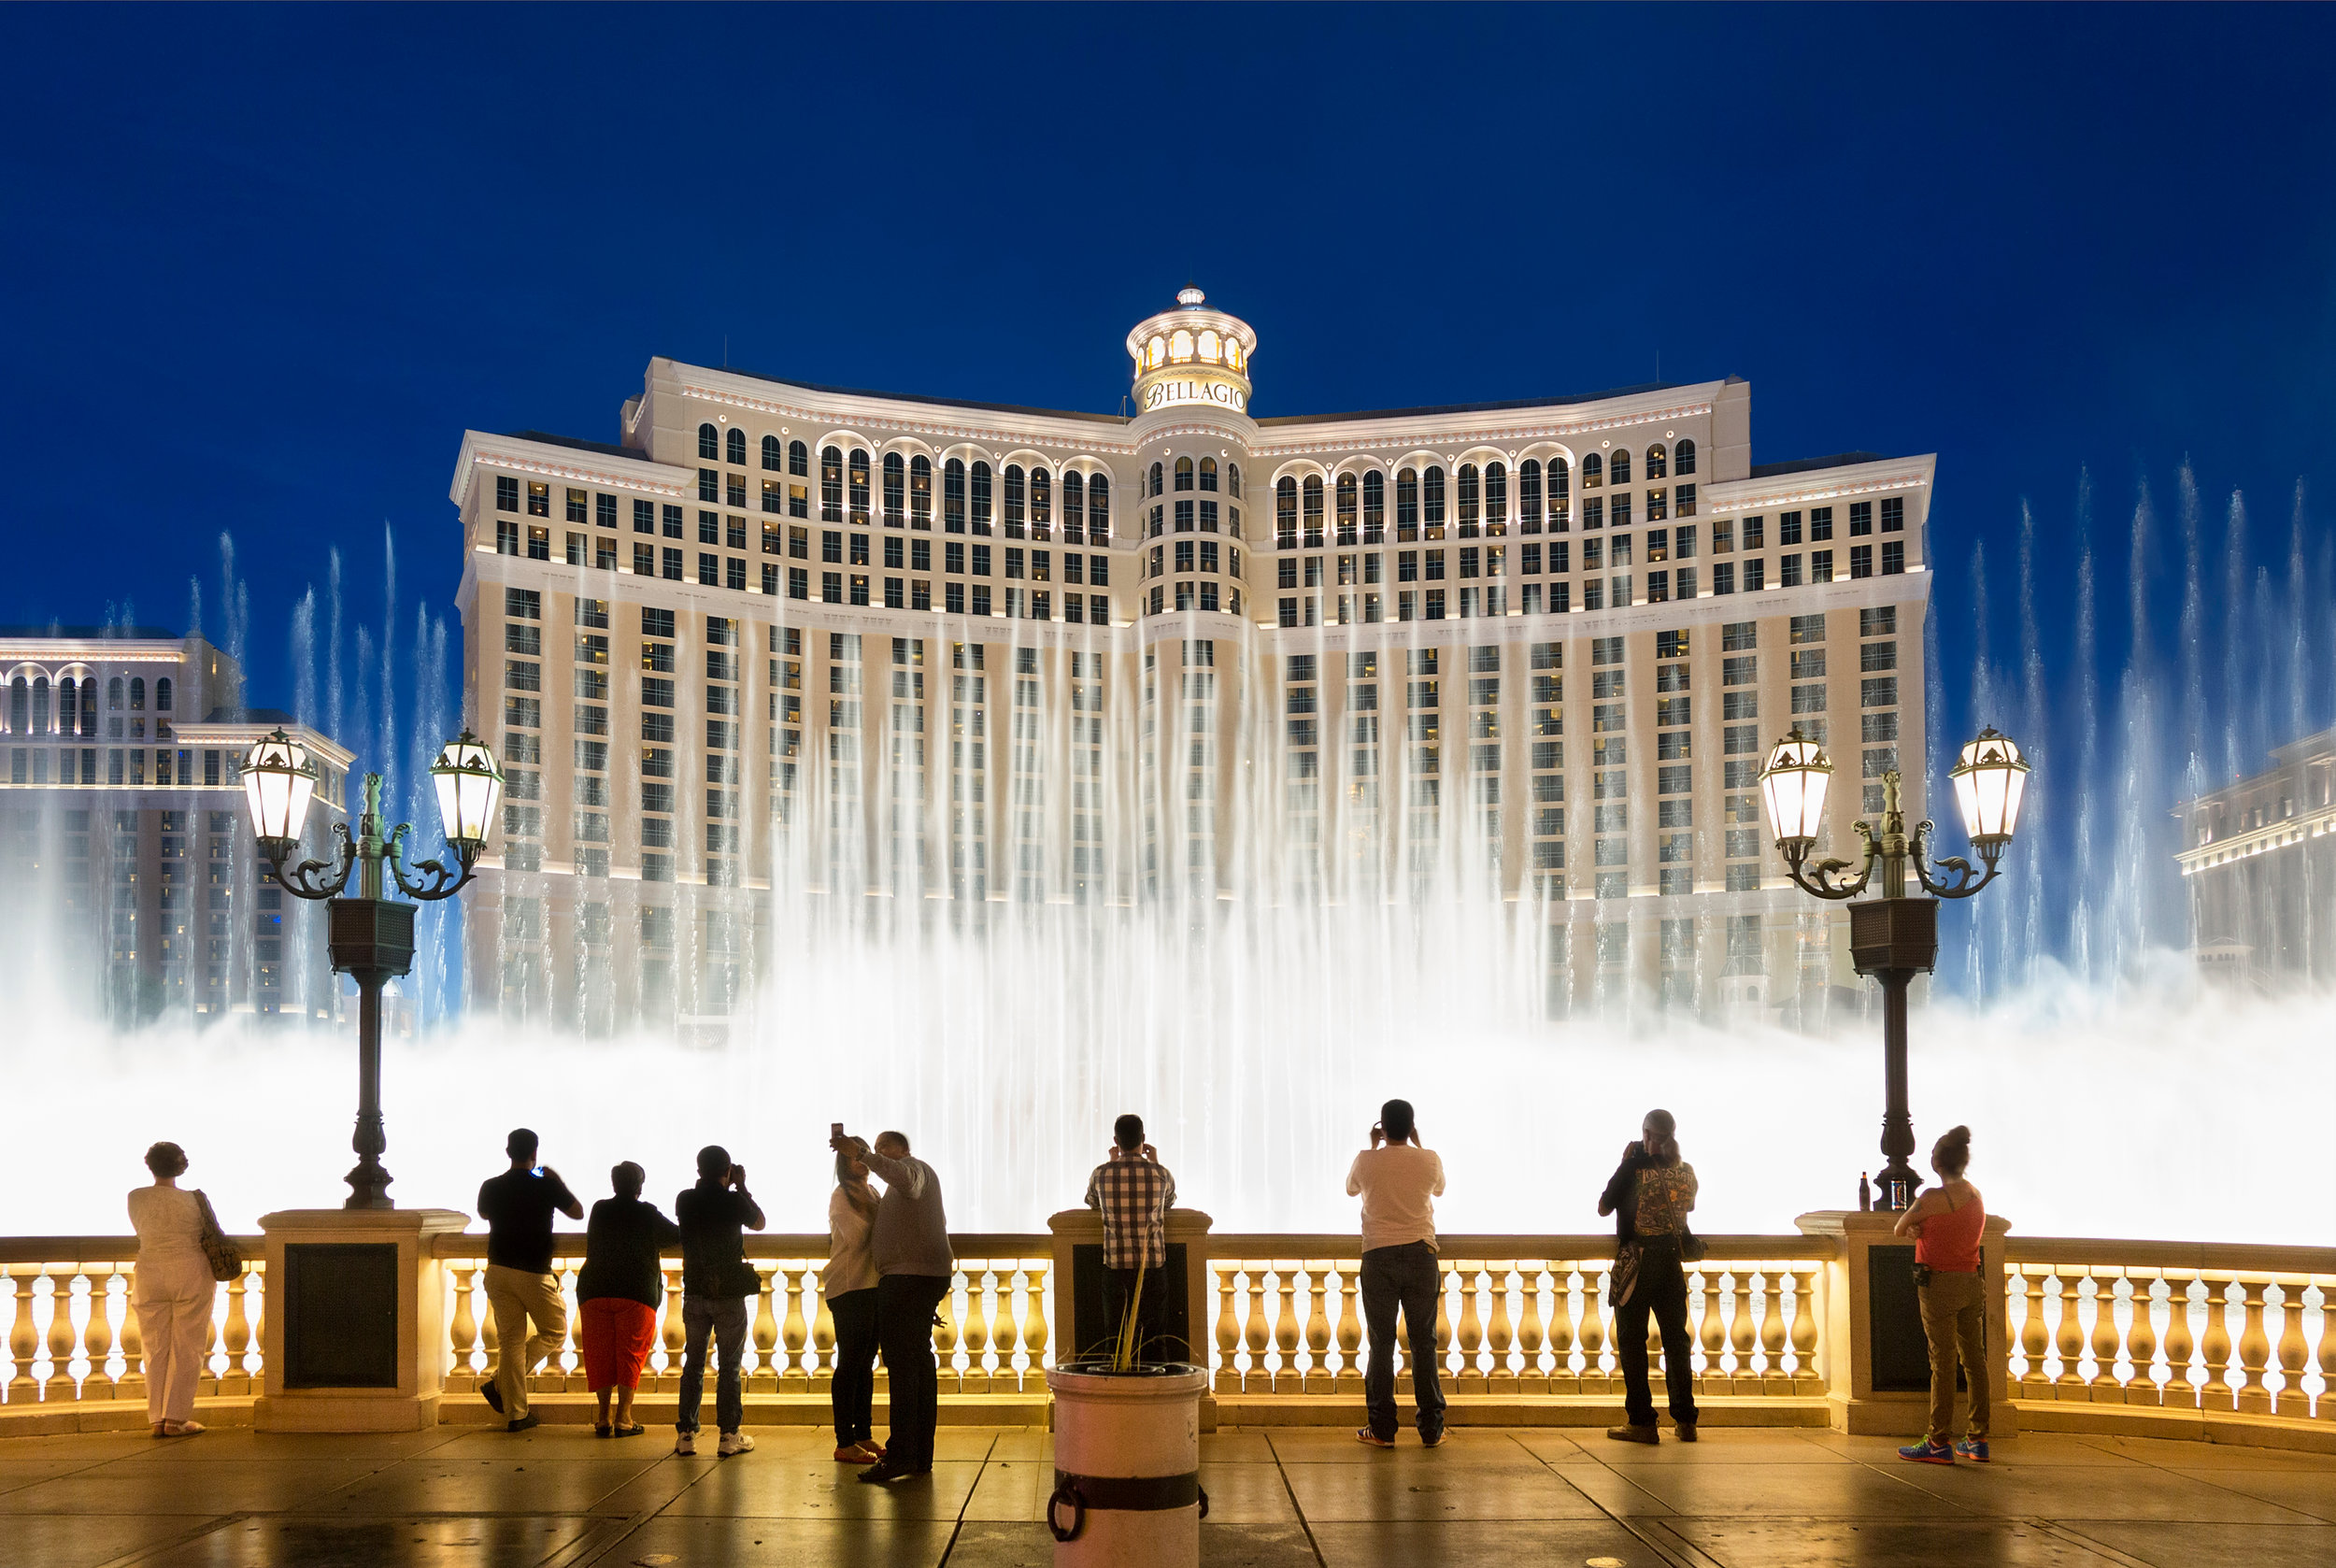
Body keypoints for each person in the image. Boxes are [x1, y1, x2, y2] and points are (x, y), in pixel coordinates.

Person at [831, 1127, 952, 1485]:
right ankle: (917, 1454)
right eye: (875, 1148)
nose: (877, 1153)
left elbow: (907, 1180)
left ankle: (901, 1454)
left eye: (885, 1148)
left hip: (908, 1279)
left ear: (904, 1150)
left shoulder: (915, 1170)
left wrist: (866, 1155)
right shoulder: (892, 1188)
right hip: (912, 1280)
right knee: (915, 1365)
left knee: (902, 1367)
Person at [1346, 1098, 1446, 1448]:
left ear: (1382, 1127)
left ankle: (1383, 1429)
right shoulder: (1429, 1158)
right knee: (1423, 1343)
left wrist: (1375, 1148)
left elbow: (1351, 1188)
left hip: (1378, 1256)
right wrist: (1416, 1145)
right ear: (1412, 1126)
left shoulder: (1365, 1159)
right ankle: (1431, 1429)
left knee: (1381, 1344)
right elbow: (1439, 1188)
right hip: (1421, 1254)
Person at [1599, 1109, 1700, 1445]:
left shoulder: (1635, 1169)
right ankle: (1686, 1422)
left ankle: (1642, 1421)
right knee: (1676, 1343)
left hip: (1638, 1264)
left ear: (1646, 1133)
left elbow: (1604, 1205)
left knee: (1632, 1342)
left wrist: (1628, 1162)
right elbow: (1686, 1211)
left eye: (1647, 1134)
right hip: (1671, 1263)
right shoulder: (1686, 1173)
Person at [477, 1128, 583, 1433]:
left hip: (497, 1269)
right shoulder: (546, 1186)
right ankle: (501, 1386)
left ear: (508, 1152)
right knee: (556, 1329)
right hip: (533, 1271)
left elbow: (484, 1213)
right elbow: (577, 1213)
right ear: (534, 1153)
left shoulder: (491, 1186)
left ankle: (516, 1413)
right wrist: (556, 1181)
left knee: (509, 1340)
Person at [1895, 1125, 1990, 1464]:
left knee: (1943, 1362)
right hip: (1970, 1281)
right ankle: (1977, 1438)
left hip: (1938, 1285)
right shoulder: (1976, 1196)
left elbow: (1898, 1226)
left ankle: (1938, 1441)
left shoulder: (1932, 1198)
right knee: (1974, 1359)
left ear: (1936, 1164)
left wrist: (1916, 1228)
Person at [576, 1162, 682, 1438]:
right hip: (636, 1293)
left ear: (614, 1184)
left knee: (599, 1355)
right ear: (640, 1186)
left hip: (595, 1289)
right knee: (630, 1355)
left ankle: (602, 1418)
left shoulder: (599, 1209)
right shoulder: (646, 1213)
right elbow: (675, 1236)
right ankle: (624, 1418)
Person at [674, 1144, 765, 1458]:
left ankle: (686, 1434)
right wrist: (741, 1185)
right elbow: (759, 1223)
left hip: (695, 1291)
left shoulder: (685, 1199)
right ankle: (729, 1435)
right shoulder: (733, 1201)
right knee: (729, 1366)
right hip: (728, 1293)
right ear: (727, 1170)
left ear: (698, 1170)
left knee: (694, 1364)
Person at [127, 1142, 220, 1438]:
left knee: (154, 1347)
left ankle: (156, 1419)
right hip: (190, 1272)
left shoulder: (135, 1198)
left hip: (150, 1273)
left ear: (150, 1165)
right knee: (187, 1347)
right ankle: (176, 1419)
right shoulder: (194, 1200)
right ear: (182, 1166)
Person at [1084, 1114, 1179, 1363]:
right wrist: (1155, 1162)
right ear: (1144, 1140)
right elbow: (1169, 1202)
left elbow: (1092, 1203)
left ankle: (1116, 1395)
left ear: (1116, 1141)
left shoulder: (1101, 1174)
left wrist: (1112, 1163)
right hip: (1153, 1268)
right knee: (1155, 1338)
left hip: (1115, 1269)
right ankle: (1156, 1395)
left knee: (1114, 1339)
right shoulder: (1161, 1174)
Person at [826, 1145, 884, 1464]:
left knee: (865, 1363)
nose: (861, 1159)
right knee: (850, 1363)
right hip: (848, 1287)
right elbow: (858, 1235)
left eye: (863, 1152)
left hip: (871, 1286)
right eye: (853, 1155)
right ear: (843, 1162)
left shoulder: (872, 1190)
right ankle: (844, 1440)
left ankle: (862, 1433)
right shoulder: (841, 1195)